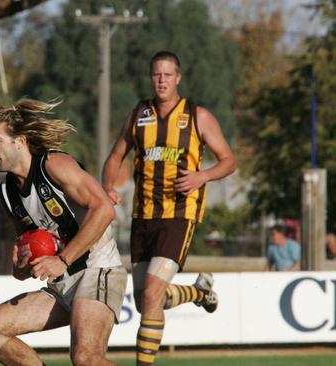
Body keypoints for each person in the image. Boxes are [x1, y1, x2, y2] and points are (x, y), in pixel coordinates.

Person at [102, 50, 237, 366]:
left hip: (179, 215)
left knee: (151, 295)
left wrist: (202, 175)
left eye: (167, 75)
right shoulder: (139, 114)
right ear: (151, 78)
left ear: (178, 78)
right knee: (143, 301)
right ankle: (199, 293)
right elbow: (114, 157)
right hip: (143, 216)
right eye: (156, 75)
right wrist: (107, 188)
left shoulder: (196, 115)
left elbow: (229, 160)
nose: (161, 80)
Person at [0, 99, 127, 366]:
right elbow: (25, 266)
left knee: (85, 359)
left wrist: (62, 260)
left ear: (19, 141)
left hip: (98, 270)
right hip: (62, 284)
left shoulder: (54, 164)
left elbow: (104, 209)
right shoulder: (8, 193)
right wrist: (20, 265)